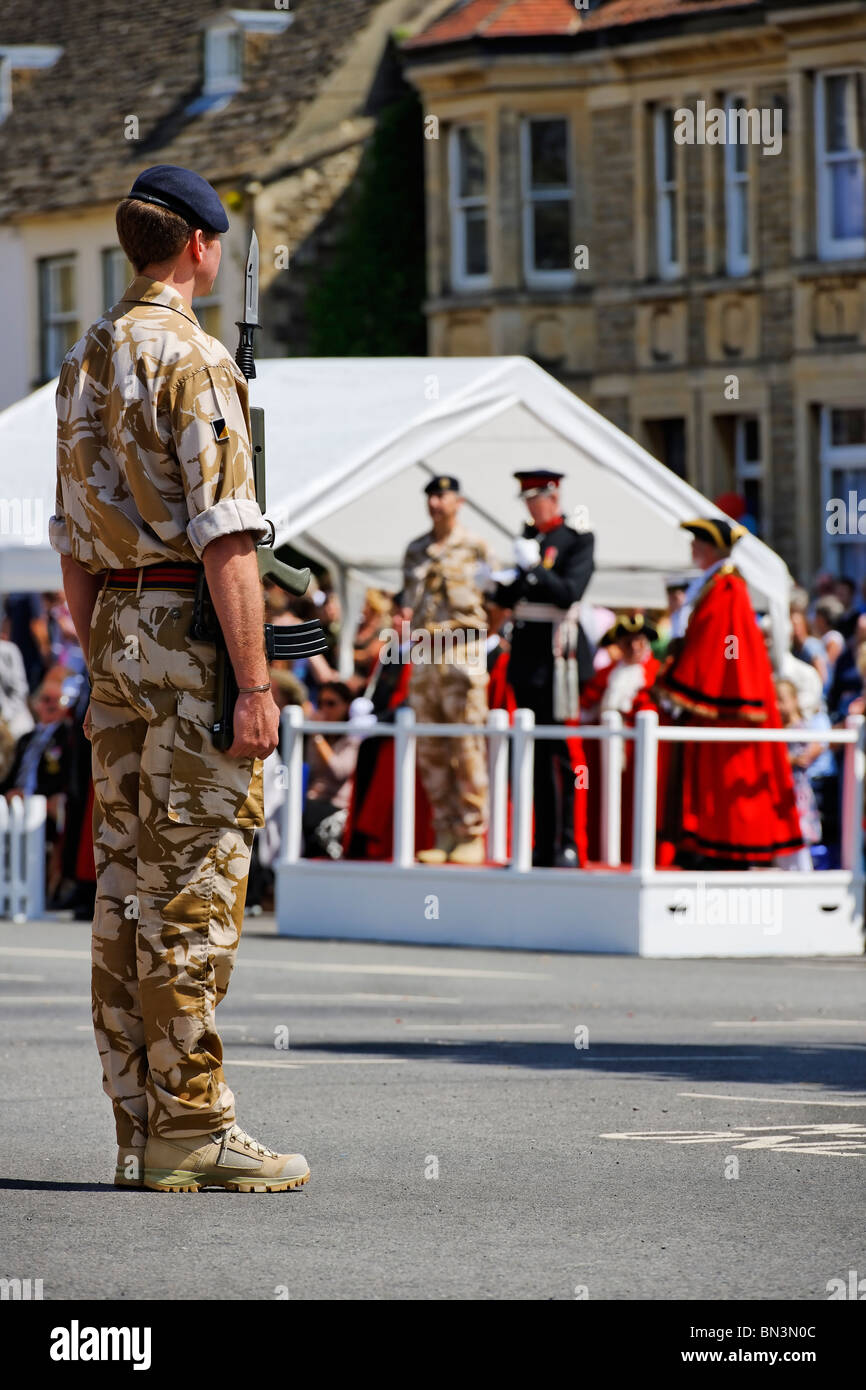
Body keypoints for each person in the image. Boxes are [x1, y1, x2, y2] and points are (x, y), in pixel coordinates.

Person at [51, 164, 309, 1193]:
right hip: (184, 632)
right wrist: (254, 682)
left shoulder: (87, 357)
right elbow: (227, 539)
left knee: (124, 893)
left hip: (114, 629)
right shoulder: (194, 360)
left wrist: (105, 652)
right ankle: (194, 1124)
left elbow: (71, 543)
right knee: (195, 889)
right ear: (200, 245)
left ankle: (141, 1126)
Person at [657, 518, 802, 867]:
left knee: (727, 781)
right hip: (708, 701)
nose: (691, 549)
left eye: (696, 543)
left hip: (723, 704)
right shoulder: (713, 586)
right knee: (706, 782)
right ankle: (705, 845)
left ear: (709, 548)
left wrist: (685, 685)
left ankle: (724, 850)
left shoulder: (727, 590)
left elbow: (723, 649)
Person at [494, 470, 595, 867]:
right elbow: (513, 598)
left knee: (560, 754)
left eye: (537, 499)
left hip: (557, 658)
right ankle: (540, 841)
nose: (532, 508)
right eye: (527, 501)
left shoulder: (576, 539)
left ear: (554, 497)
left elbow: (569, 593)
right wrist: (500, 583)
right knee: (534, 754)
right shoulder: (530, 540)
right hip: (527, 657)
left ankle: (566, 840)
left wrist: (535, 569)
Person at [402, 476, 491, 865]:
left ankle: (471, 832)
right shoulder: (417, 550)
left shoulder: (475, 547)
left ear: (459, 501)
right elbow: (408, 603)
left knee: (466, 745)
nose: (435, 503)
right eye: (431, 497)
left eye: (442, 496)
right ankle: (444, 828)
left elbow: (494, 601)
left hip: (463, 652)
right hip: (426, 655)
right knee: (432, 746)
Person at [303, 680, 359, 859]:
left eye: (331, 703)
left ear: (347, 706)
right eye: (320, 704)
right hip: (310, 803)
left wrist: (318, 737)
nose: (324, 709)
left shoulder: (353, 739)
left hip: (335, 807)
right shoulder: (315, 736)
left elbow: (339, 771)